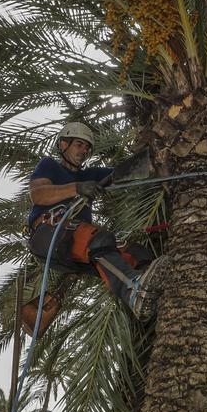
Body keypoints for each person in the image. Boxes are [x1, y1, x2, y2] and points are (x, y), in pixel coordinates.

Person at [24, 122, 164, 333]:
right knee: (98, 238)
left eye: (87, 148)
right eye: (79, 145)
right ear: (63, 144)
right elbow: (39, 194)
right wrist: (77, 188)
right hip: (46, 234)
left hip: (74, 244)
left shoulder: (90, 174)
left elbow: (126, 173)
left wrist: (158, 157)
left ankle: (150, 292)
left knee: (134, 251)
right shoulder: (49, 166)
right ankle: (133, 290)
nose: (84, 151)